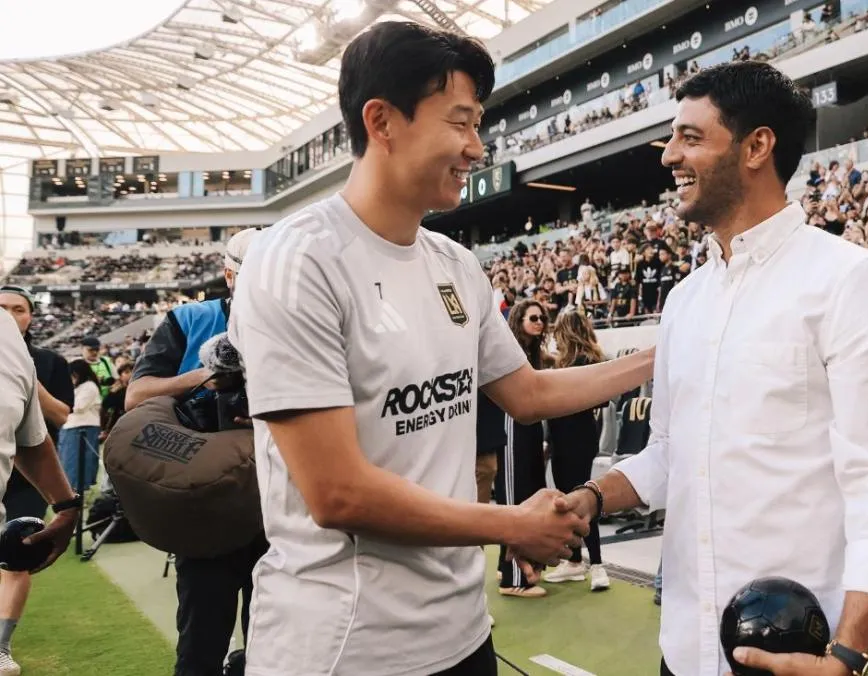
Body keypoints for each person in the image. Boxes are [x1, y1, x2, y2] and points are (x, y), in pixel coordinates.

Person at [226, 21, 653, 676]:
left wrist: (660, 355)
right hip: (344, 646)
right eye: (460, 122)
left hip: (461, 634)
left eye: (478, 124)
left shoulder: (456, 264)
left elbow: (529, 393)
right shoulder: (298, 260)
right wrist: (510, 525)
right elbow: (336, 492)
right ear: (382, 121)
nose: (477, 148)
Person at [552, 61, 868, 676]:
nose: (669, 155)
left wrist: (851, 654)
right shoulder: (684, 301)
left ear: (757, 146)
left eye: (691, 137)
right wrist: (591, 498)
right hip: (688, 649)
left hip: (814, 653)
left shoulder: (850, 281)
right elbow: (670, 453)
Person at [125, 226, 266, 676]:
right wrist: (205, 374)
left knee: (277, 649)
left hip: (284, 504)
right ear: (229, 275)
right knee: (201, 647)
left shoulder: (309, 315)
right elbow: (137, 396)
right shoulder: (190, 320)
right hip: (208, 507)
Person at [0, 287, 74, 676]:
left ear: (31, 316)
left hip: (27, 476)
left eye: (19, 309)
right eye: (3, 308)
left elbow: (61, 416)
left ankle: (2, 644)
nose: (10, 315)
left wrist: (27, 380)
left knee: (16, 557)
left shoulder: (49, 361)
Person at [542, 311, 609, 591]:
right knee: (570, 496)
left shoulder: (581, 363)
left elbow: (599, 400)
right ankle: (574, 561)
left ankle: (596, 565)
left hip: (573, 437)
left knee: (579, 500)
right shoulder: (577, 361)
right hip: (570, 435)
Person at [497, 300, 551, 598]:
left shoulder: (533, 353)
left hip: (529, 427)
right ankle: (512, 579)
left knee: (531, 487)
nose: (540, 321)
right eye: (534, 317)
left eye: (543, 317)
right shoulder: (511, 351)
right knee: (516, 494)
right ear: (519, 320)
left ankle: (511, 567)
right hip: (512, 424)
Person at [58, 360, 102, 492]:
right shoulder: (77, 387)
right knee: (67, 462)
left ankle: (77, 490)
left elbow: (78, 406)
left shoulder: (89, 386)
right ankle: (72, 489)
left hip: (82, 428)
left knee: (76, 463)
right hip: (71, 427)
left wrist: (62, 403)